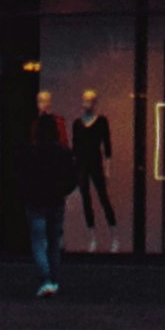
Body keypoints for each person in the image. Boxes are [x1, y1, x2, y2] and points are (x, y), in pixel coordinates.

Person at [17, 103, 72, 295]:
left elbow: (22, 176)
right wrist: (62, 191)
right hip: (56, 201)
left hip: (36, 202)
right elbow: (72, 178)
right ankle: (54, 280)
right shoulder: (62, 153)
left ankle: (46, 279)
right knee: (54, 243)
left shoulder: (31, 152)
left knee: (39, 242)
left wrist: (26, 194)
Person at [69, 92, 120, 244]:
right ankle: (92, 236)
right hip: (82, 165)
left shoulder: (101, 121)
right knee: (86, 199)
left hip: (96, 163)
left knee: (104, 198)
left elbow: (107, 145)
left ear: (94, 102)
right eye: (85, 100)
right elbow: (75, 148)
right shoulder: (77, 123)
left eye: (90, 100)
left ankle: (114, 235)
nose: (87, 103)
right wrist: (74, 171)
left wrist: (108, 169)